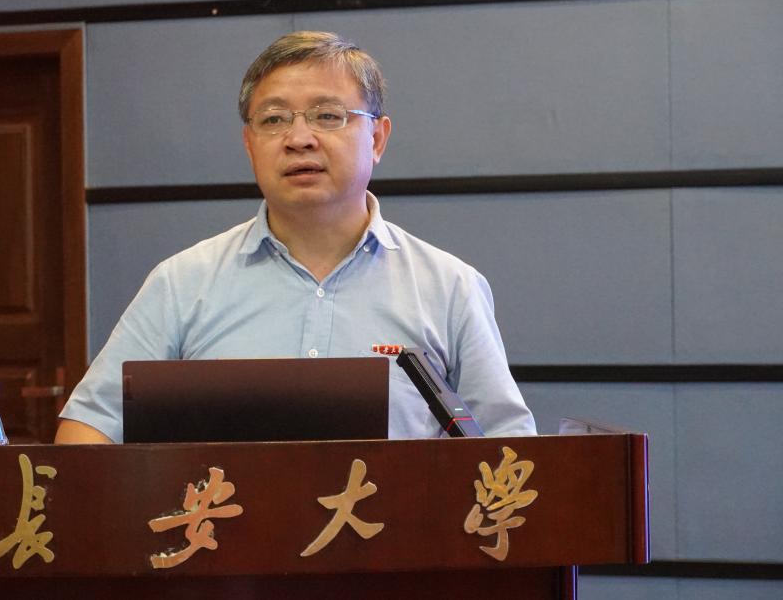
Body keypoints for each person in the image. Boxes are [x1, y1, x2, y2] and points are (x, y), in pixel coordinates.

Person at [55, 31, 536, 444]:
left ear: (377, 139)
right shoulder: (183, 283)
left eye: (328, 116)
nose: (299, 138)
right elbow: (88, 427)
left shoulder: (449, 288)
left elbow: (508, 453)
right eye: (274, 119)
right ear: (250, 145)